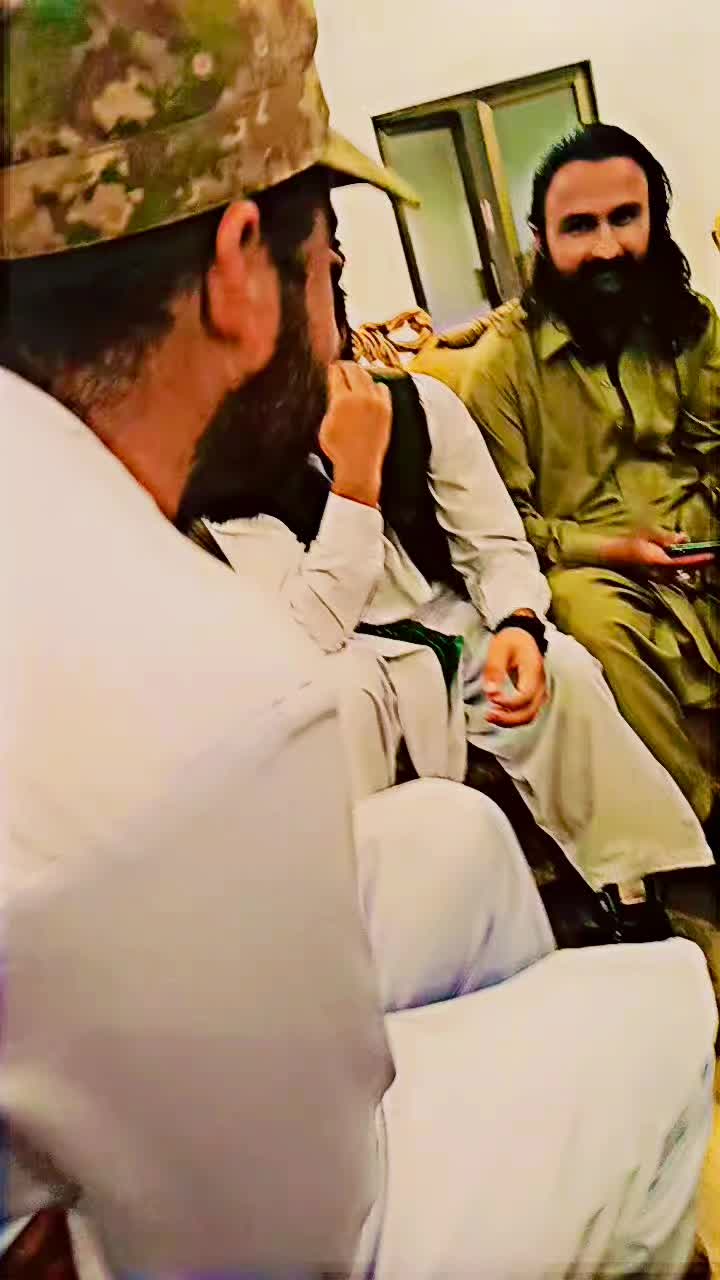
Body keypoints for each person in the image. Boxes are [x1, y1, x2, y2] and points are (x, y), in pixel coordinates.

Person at [1, 6, 717, 1278]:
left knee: (455, 835)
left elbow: (497, 551)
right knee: (660, 1010)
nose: (345, 319)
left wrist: (516, 619)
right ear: (242, 270)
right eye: (327, 264)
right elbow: (301, 1229)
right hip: (208, 1223)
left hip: (107, 1031)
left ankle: (621, 900)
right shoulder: (197, 673)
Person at [188, 246, 714, 930]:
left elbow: (494, 545)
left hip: (452, 630)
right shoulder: (222, 468)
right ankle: (377, 935)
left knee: (564, 671)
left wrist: (519, 622)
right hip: (343, 657)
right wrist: (356, 483)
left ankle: (640, 896)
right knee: (340, 706)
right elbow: (311, 627)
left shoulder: (422, 404)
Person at [417, 126, 720, 871]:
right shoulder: (500, 368)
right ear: (541, 240)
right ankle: (694, 860)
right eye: (579, 226)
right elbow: (504, 529)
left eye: (625, 218)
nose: (606, 247)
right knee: (593, 624)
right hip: (593, 571)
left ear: (656, 221)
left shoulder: (692, 325)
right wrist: (616, 548)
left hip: (702, 544)